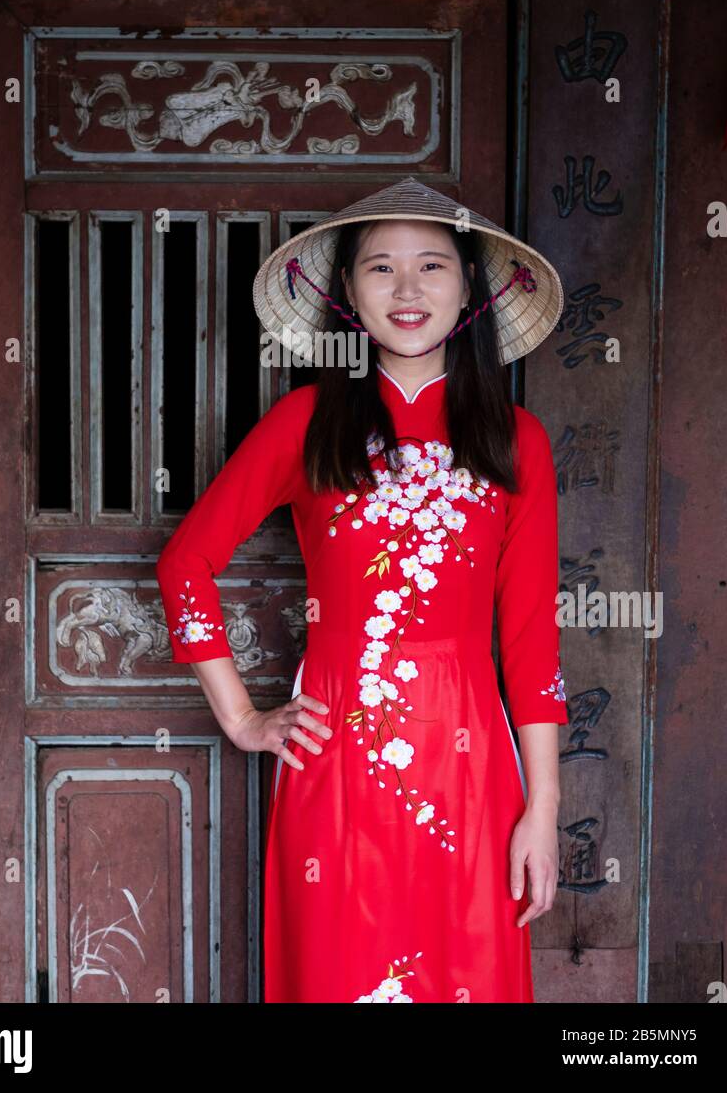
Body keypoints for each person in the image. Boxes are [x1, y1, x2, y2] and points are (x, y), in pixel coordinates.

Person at [156, 174, 569, 1003]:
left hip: (472, 761)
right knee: (336, 972)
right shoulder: (306, 424)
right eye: (380, 268)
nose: (408, 290)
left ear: (470, 288)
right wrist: (242, 718)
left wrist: (544, 810)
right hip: (337, 754)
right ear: (347, 292)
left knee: (473, 974)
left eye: (433, 266)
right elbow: (184, 565)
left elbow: (529, 642)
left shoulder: (516, 441)